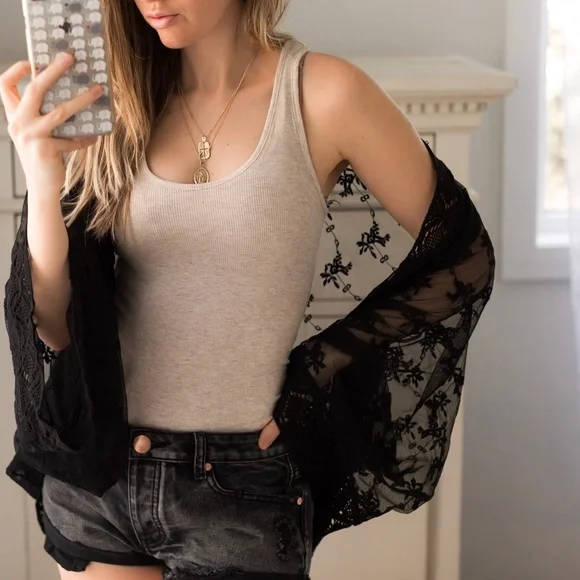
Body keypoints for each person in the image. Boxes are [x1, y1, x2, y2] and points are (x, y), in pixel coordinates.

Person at [0, 1, 495, 579]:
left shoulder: (323, 94)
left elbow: (465, 258)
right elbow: (54, 326)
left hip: (238, 489)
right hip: (100, 478)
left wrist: (322, 370)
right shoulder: (118, 101)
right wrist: (42, 178)